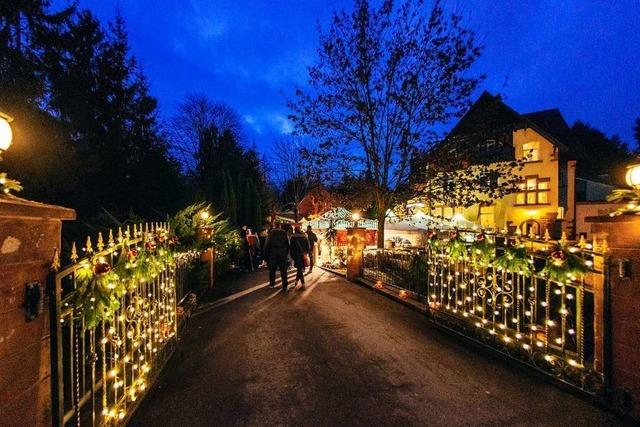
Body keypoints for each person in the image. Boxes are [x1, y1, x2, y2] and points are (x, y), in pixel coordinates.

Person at [263, 224, 290, 291]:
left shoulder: (271, 233)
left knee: (272, 270)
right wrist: (285, 253)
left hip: (273, 253)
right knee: (283, 271)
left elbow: (267, 245)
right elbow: (287, 244)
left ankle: (272, 284)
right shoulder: (284, 233)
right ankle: (285, 286)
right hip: (282, 253)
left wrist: (266, 255)